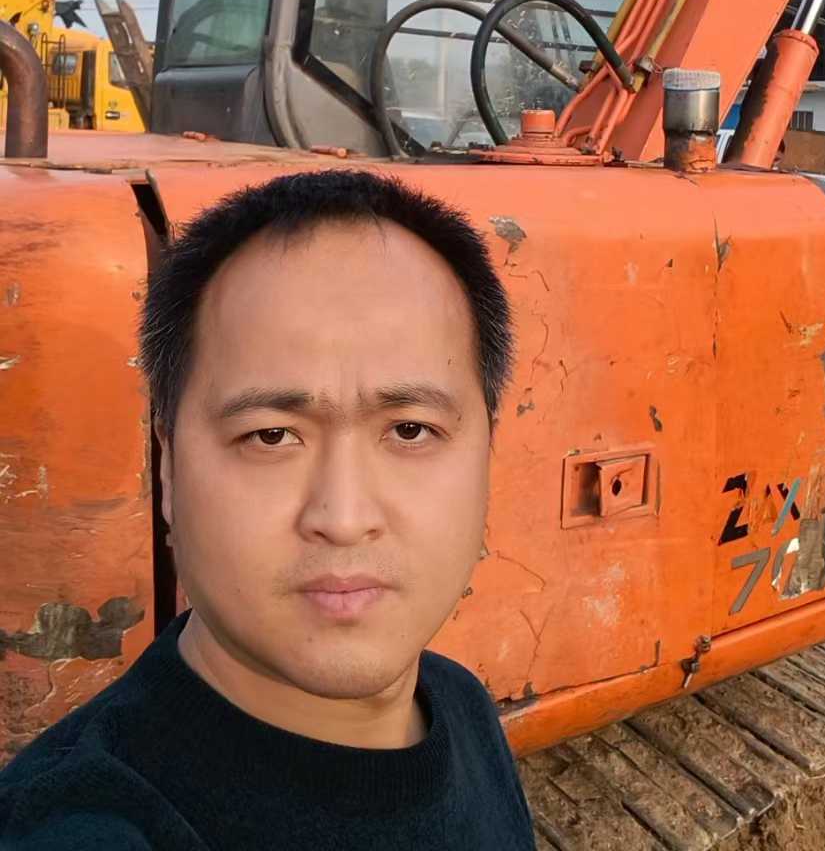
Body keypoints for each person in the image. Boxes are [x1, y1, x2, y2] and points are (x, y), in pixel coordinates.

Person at [0, 170, 536, 850]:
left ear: (488, 451)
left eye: (410, 430)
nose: (343, 517)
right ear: (168, 464)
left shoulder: (459, 705)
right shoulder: (87, 826)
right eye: (271, 436)